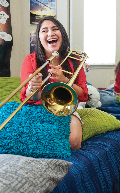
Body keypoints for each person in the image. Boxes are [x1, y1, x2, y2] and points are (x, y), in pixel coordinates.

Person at [20, 16, 88, 150]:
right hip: (38, 107)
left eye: (55, 29)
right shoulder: (30, 60)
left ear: (62, 34)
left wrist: (64, 80)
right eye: (44, 31)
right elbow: (28, 99)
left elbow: (83, 94)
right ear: (39, 38)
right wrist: (33, 88)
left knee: (73, 141)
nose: (50, 33)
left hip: (66, 108)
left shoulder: (75, 60)